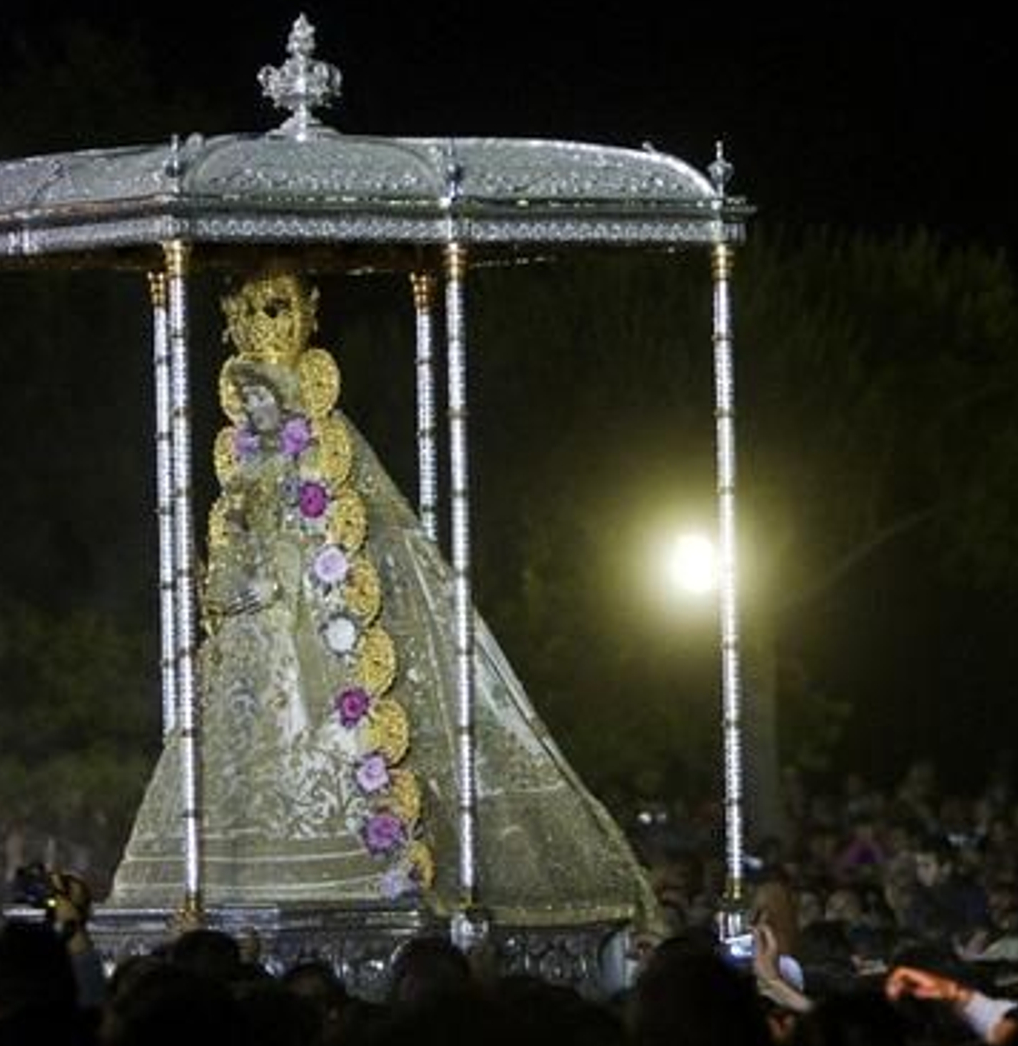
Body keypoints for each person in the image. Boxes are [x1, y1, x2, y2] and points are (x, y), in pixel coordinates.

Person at [108, 270, 653, 925]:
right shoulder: (250, 450)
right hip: (254, 642)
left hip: (314, 625)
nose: (263, 325)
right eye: (248, 312)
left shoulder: (323, 447)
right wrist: (231, 573)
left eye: (277, 309)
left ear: (309, 313)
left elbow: (333, 541)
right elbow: (242, 545)